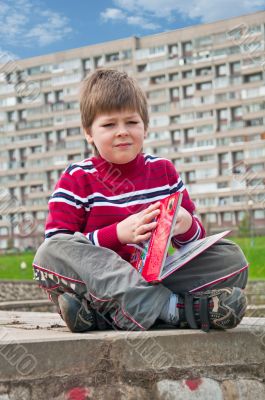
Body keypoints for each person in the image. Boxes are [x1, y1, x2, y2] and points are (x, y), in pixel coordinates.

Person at [33, 69, 248, 333]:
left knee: (231, 257)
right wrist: (116, 235)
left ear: (145, 126)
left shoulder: (164, 171)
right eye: (109, 125)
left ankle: (110, 317)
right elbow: (59, 244)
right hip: (100, 284)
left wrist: (185, 224)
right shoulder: (76, 178)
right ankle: (176, 310)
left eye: (132, 122)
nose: (122, 132)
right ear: (89, 132)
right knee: (48, 252)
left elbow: (194, 242)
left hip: (156, 278)